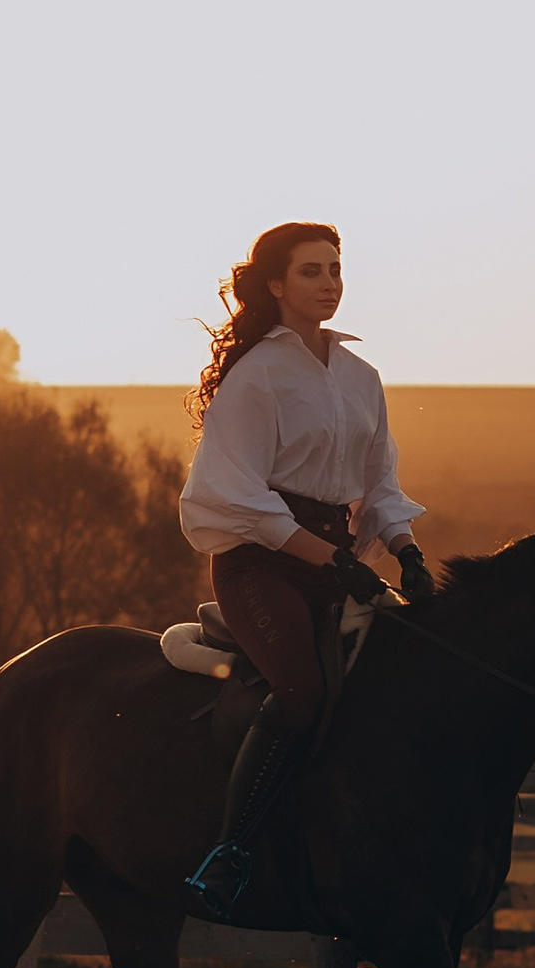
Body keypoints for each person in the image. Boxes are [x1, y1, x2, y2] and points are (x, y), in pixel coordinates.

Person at [176, 220, 431, 914]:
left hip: (338, 557)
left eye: (335, 270)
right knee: (303, 691)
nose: (329, 284)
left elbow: (378, 481)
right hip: (260, 562)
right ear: (276, 284)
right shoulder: (256, 376)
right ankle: (227, 853)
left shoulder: (361, 376)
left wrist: (406, 550)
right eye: (312, 271)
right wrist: (330, 559)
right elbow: (242, 498)